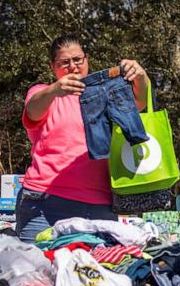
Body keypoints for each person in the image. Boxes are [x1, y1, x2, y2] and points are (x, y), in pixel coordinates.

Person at [15, 34, 151, 243]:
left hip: (100, 205)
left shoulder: (107, 95)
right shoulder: (43, 93)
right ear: (53, 66)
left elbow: (140, 102)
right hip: (45, 203)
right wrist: (54, 90)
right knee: (36, 272)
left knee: (99, 274)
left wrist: (140, 76)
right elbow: (32, 110)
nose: (73, 67)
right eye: (64, 62)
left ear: (87, 60)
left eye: (78, 60)